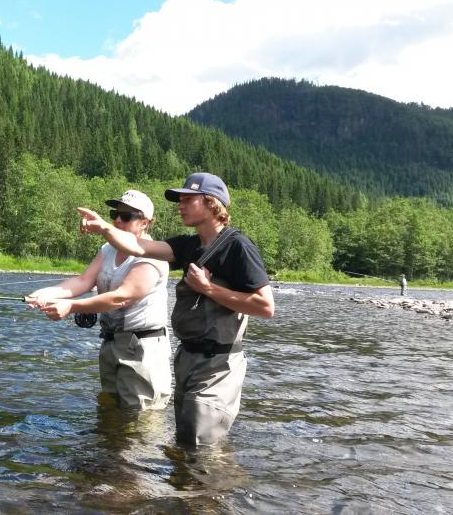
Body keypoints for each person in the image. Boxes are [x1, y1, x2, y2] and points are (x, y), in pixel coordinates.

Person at [77, 173, 275, 445]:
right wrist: (104, 228)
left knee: (201, 447)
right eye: (179, 200)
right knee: (184, 444)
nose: (180, 205)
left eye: (187, 199)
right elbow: (136, 245)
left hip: (219, 363)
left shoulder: (237, 246)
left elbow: (265, 306)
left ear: (211, 203)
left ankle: (216, 487)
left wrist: (208, 288)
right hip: (187, 359)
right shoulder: (187, 245)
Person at [25, 190, 172, 411]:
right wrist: (46, 293)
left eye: (126, 216)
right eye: (115, 214)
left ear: (145, 222)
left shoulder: (153, 254)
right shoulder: (108, 249)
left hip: (143, 349)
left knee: (140, 425)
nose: (117, 220)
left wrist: (71, 307)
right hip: (111, 344)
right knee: (110, 414)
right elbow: (84, 280)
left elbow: (121, 297)